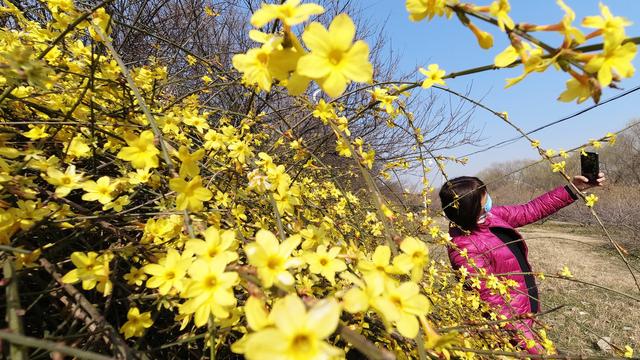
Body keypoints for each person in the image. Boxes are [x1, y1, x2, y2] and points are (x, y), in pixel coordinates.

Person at [438, 173, 605, 354]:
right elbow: (497, 307)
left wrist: (573, 189)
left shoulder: (491, 217)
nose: (489, 200)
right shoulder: (464, 249)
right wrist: (535, 348)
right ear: (471, 208)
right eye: (484, 198)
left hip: (526, 306)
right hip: (512, 327)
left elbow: (531, 210)